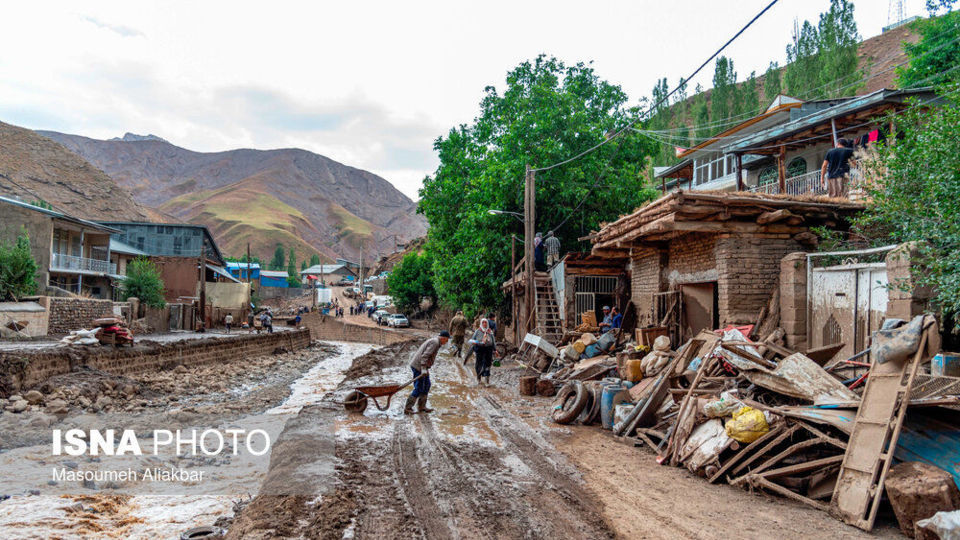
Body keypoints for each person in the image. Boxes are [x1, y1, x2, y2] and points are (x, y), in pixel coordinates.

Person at [404, 331, 450, 414]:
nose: (446, 342)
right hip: (418, 366)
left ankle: (421, 406)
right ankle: (408, 407)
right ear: (443, 338)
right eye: (446, 340)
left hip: (421, 366)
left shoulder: (436, 342)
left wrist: (425, 368)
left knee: (427, 385)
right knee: (419, 387)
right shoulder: (435, 343)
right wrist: (423, 368)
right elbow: (425, 356)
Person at [469, 319, 497, 386]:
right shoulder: (478, 331)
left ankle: (487, 381)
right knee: (479, 364)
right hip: (480, 349)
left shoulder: (490, 331)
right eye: (483, 322)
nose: (484, 324)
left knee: (488, 364)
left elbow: (493, 341)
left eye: (485, 322)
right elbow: (472, 340)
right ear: (481, 323)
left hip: (488, 350)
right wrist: (477, 343)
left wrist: (495, 350)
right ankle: (479, 378)